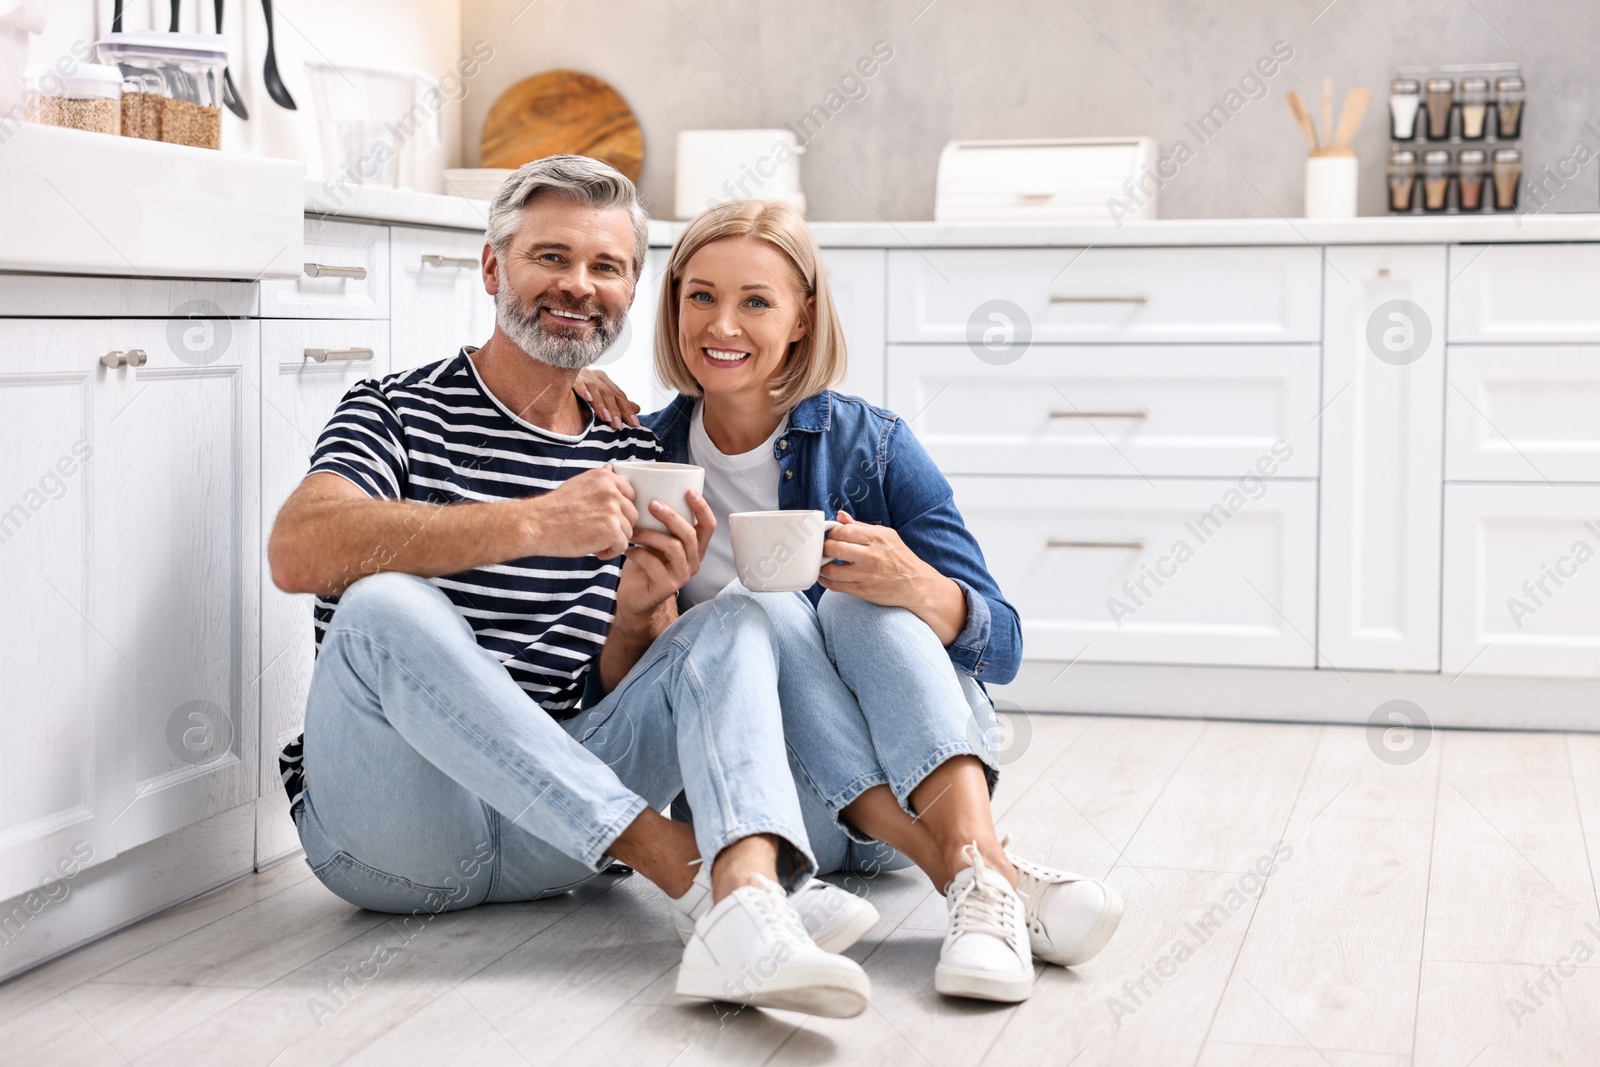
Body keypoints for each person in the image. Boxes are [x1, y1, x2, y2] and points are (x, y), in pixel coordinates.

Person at [266, 157, 878, 1019]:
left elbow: (620, 693)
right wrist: (533, 521)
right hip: (398, 835)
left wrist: (639, 614)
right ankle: (685, 867)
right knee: (381, 605)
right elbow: (297, 551)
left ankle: (741, 889)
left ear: (633, 290)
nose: (579, 286)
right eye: (550, 257)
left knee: (738, 616)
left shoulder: (631, 447)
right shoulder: (393, 409)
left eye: (608, 267)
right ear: (493, 269)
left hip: (558, 837)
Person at [579, 198, 1124, 1003]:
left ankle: (970, 862)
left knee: (850, 604)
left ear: (802, 317)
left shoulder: (873, 444)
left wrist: (922, 588)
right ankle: (984, 879)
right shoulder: (638, 455)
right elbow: (620, 705)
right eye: (701, 295)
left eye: (756, 300)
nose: (722, 324)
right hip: (776, 817)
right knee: (755, 614)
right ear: (674, 305)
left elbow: (1002, 646)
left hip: (921, 772)